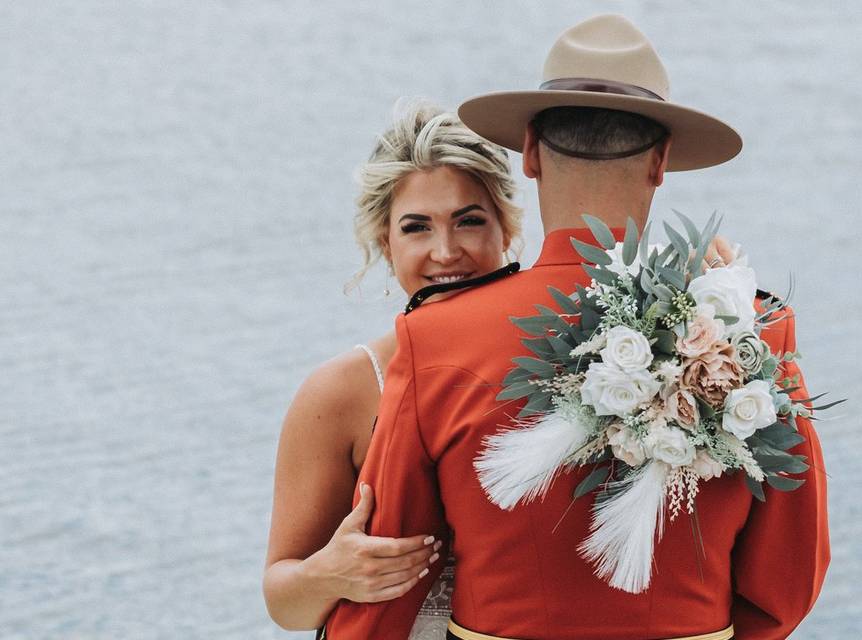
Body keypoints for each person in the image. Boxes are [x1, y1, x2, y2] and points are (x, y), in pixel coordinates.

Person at [325, 14, 828, 640]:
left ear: (531, 155)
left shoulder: (434, 339)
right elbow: (789, 578)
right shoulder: (750, 332)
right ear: (662, 161)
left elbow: (390, 573)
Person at [262, 102, 523, 639]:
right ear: (386, 242)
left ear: (508, 228)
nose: (445, 252)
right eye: (416, 228)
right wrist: (328, 572)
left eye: (469, 221)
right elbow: (284, 603)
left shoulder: (559, 365)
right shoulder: (342, 392)